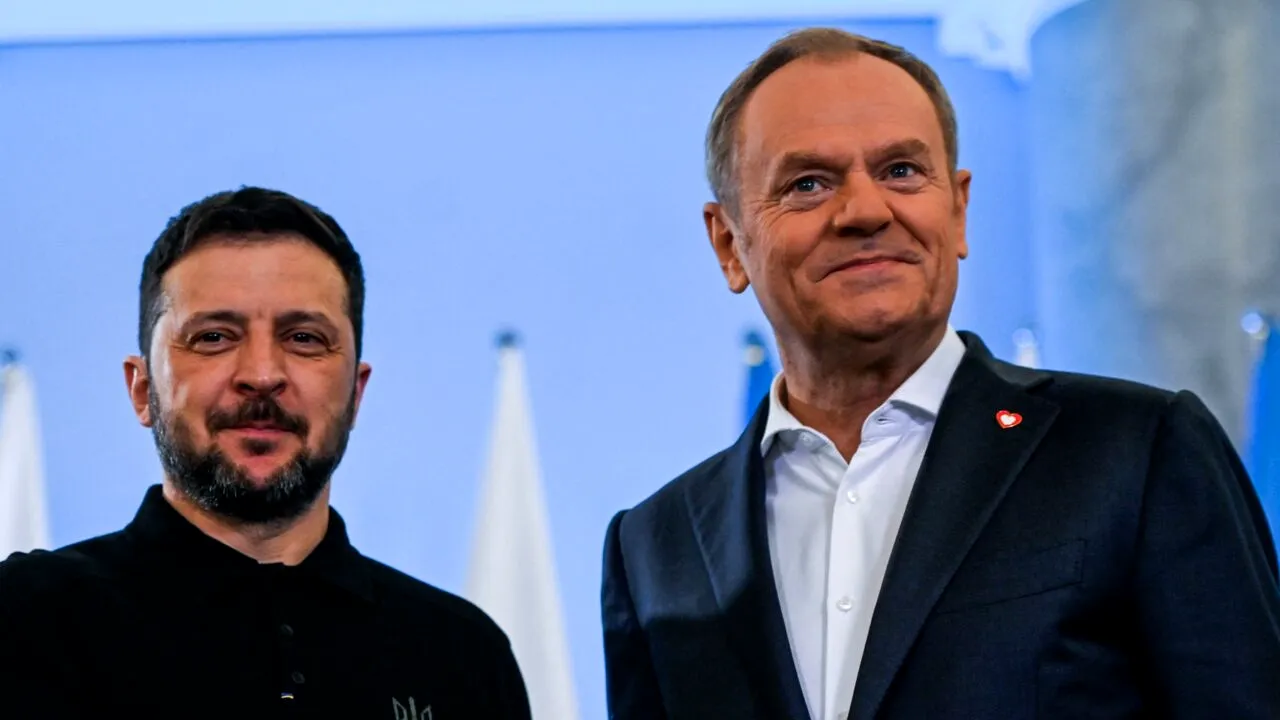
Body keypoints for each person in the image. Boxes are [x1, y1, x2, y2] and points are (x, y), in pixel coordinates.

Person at [600, 27, 1280, 720]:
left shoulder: (1137, 451)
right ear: (728, 243)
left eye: (900, 171)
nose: (866, 211)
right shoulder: (654, 547)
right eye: (808, 184)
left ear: (957, 210)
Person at [0, 187, 532, 719]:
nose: (261, 375)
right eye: (214, 337)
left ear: (355, 392)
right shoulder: (25, 619)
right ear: (142, 390)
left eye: (304, 338)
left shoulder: (462, 655)